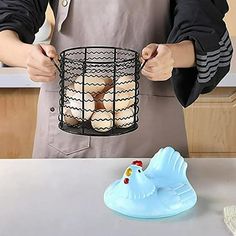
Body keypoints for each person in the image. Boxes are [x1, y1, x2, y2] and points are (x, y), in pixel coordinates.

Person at [0, 0, 233, 158]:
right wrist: (26, 55)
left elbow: (206, 31)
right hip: (69, 123)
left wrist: (172, 55)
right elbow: (6, 22)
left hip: (152, 135)